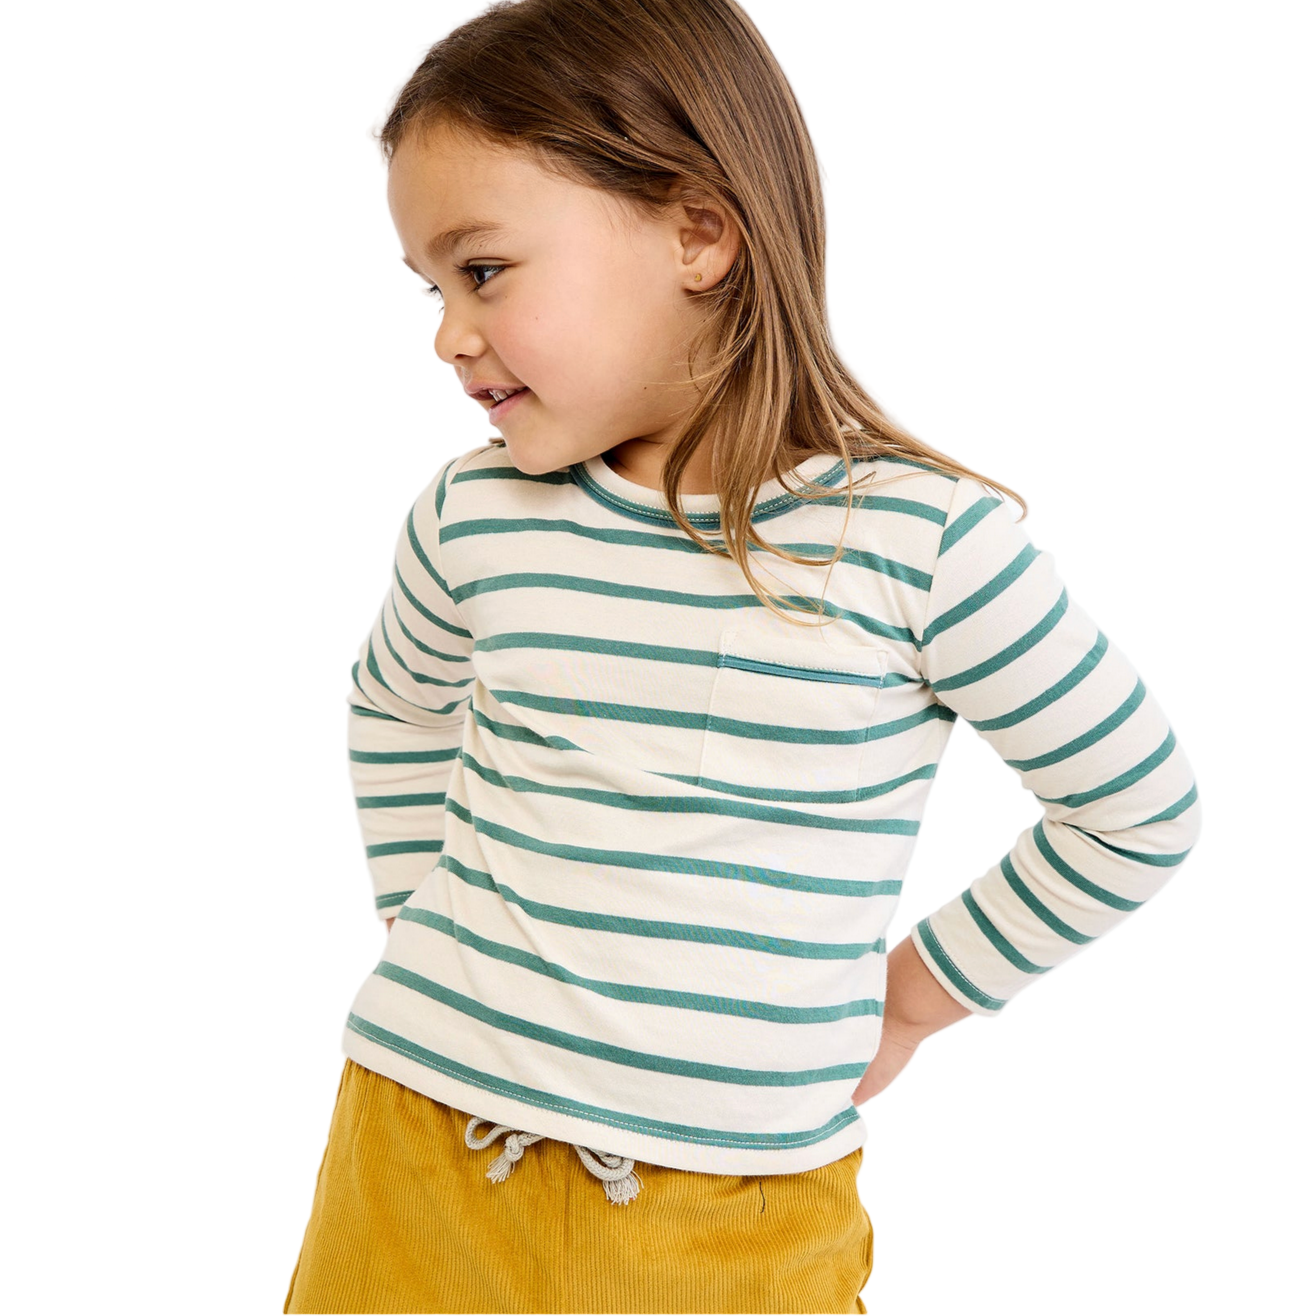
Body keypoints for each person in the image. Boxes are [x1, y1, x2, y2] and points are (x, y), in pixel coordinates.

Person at [282, 1, 1203, 1312]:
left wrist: (911, 1001)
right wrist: (415, 907)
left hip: (733, 1209)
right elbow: (394, 707)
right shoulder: (472, 515)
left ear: (699, 234)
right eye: (433, 289)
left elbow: (1136, 811)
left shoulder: (923, 544)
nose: (448, 333)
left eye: (483, 271)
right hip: (415, 1144)